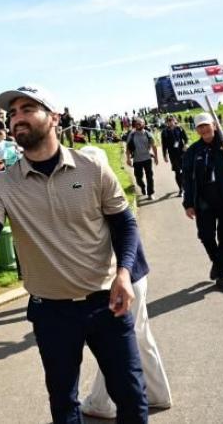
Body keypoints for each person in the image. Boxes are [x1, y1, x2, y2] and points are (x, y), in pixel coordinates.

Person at [0, 85, 148, 423]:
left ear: (54, 117)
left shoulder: (92, 167)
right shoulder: (2, 184)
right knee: (63, 402)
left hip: (107, 303)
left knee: (130, 395)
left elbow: (125, 227)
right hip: (51, 313)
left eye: (28, 109)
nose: (17, 118)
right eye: (12, 113)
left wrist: (125, 274)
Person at [78, 146, 172, 420]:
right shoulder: (108, 191)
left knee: (117, 347)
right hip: (136, 275)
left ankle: (100, 403)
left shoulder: (96, 197)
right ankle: (158, 394)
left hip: (121, 280)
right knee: (140, 337)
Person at [182, 112, 223, 293]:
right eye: (199, 127)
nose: (203, 129)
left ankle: (222, 276)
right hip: (204, 201)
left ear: (214, 125)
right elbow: (186, 178)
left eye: (206, 125)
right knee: (205, 235)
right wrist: (188, 203)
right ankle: (218, 263)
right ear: (196, 130)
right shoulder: (193, 151)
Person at [126, 117, 158, 200]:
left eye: (140, 123)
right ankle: (143, 186)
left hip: (147, 158)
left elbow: (154, 146)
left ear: (144, 124)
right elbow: (128, 148)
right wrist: (128, 159)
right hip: (137, 160)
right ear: (135, 125)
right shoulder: (132, 135)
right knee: (138, 178)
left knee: (149, 177)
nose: (139, 125)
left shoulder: (148, 134)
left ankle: (150, 193)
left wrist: (156, 157)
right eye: (137, 123)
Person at [160, 115, 188, 196]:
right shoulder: (164, 132)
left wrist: (186, 145)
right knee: (177, 172)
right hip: (173, 155)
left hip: (182, 153)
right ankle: (181, 189)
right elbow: (164, 145)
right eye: (168, 121)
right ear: (166, 122)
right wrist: (164, 155)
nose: (170, 122)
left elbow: (186, 139)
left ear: (174, 120)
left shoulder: (180, 128)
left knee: (185, 171)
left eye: (171, 120)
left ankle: (187, 186)